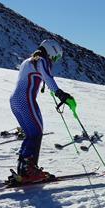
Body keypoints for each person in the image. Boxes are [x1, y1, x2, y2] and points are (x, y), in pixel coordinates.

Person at [8, 39, 75, 183]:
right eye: (55, 57)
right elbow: (48, 77)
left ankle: (24, 168)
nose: (54, 60)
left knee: (31, 134)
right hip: (25, 100)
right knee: (36, 132)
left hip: (15, 101)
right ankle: (29, 171)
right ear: (52, 52)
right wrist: (60, 93)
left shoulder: (29, 61)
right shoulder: (41, 60)